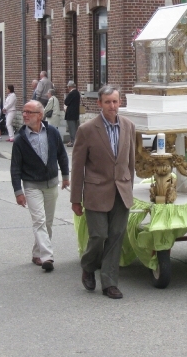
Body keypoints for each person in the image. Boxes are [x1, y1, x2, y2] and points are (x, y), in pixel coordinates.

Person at [70, 85, 136, 299]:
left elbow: (131, 163)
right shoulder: (87, 130)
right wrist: (75, 199)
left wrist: (129, 189)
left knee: (116, 236)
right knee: (99, 235)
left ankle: (109, 283)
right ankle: (88, 266)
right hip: (96, 191)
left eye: (115, 101)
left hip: (121, 191)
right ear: (99, 103)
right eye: (107, 102)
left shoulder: (129, 126)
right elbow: (78, 167)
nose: (112, 106)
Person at [10, 100, 70, 272]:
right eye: (24, 112)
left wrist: (65, 176)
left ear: (40, 116)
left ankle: (37, 253)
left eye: (29, 112)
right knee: (39, 220)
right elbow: (15, 167)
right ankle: (47, 256)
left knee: (48, 222)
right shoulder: (21, 139)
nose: (25, 115)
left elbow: (62, 155)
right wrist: (18, 191)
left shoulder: (52, 132)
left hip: (51, 183)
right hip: (31, 185)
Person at [64, 80, 81, 147]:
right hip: (76, 113)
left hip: (71, 114)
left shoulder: (71, 93)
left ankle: (73, 141)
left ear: (70, 87)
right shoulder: (77, 93)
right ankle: (74, 141)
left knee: (72, 129)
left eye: (68, 87)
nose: (68, 88)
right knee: (75, 128)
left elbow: (66, 102)